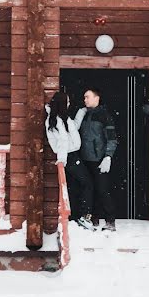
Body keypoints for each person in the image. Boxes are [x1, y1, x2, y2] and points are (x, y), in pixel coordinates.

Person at [45, 91, 94, 230]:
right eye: (66, 102)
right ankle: (85, 216)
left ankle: (75, 216)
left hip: (71, 156)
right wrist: (62, 160)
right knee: (88, 183)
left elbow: (74, 128)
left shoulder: (63, 118)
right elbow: (62, 141)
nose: (69, 104)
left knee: (76, 186)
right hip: (69, 157)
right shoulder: (54, 120)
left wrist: (82, 111)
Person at [74, 87, 118, 232]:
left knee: (102, 190)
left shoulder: (104, 115)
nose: (85, 100)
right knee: (89, 189)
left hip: (99, 160)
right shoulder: (84, 115)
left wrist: (108, 157)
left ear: (96, 98)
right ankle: (94, 218)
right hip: (85, 159)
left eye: (87, 97)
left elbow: (112, 138)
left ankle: (110, 220)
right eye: (84, 97)